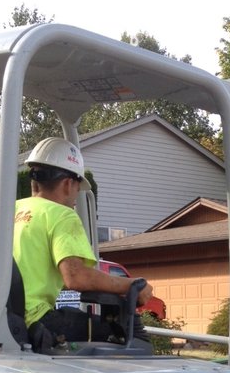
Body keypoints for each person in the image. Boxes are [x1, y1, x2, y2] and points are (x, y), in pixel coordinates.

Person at [13, 137, 153, 347]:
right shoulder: (61, 215)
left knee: (72, 316)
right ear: (69, 184)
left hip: (2, 319)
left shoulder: (4, 211)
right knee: (129, 337)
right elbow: (76, 277)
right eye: (78, 188)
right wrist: (132, 285)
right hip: (35, 321)